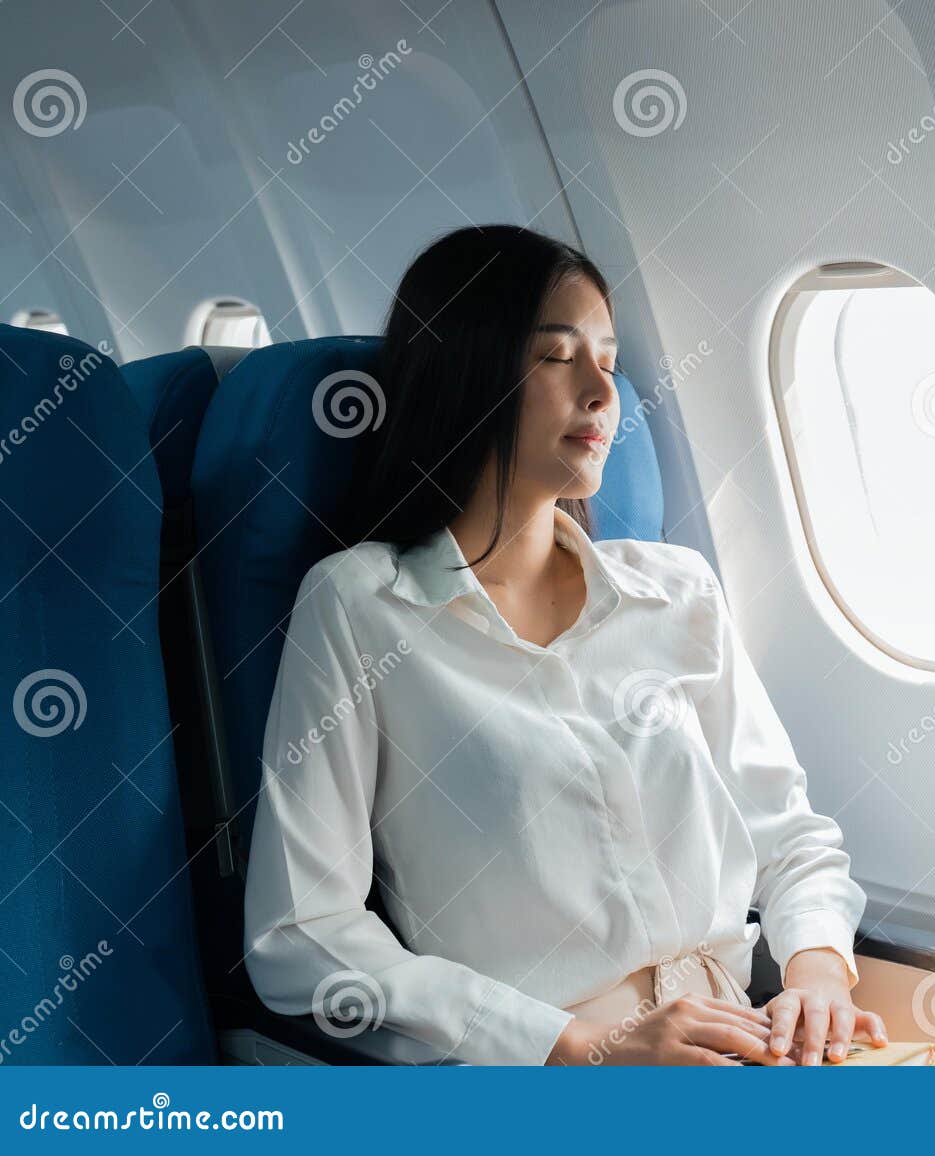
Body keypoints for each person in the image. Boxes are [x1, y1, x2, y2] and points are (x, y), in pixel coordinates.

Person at [241, 225, 888, 1066]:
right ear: (467, 371)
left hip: (746, 1046)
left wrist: (818, 975)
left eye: (609, 361)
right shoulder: (362, 608)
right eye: (557, 356)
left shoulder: (677, 590)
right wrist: (575, 1049)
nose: (601, 390)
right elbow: (302, 934)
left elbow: (789, 837)